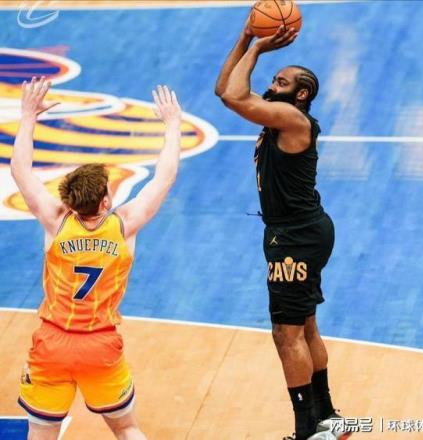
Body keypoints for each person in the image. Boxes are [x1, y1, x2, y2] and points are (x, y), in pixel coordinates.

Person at [11, 77, 181, 440]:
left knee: (40, 435)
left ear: (71, 202)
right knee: (127, 428)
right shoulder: (125, 225)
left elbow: (20, 171)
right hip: (99, 345)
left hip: (52, 343)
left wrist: (28, 116)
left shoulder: (56, 221)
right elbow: (164, 177)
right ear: (105, 201)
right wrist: (172, 125)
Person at [215, 21, 352, 440]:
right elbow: (225, 90)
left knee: (285, 334)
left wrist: (256, 51)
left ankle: (307, 431)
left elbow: (235, 96)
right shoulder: (279, 116)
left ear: (301, 94)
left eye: (281, 82)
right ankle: (328, 420)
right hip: (297, 232)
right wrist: (245, 39)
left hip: (296, 237)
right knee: (305, 327)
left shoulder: (292, 118)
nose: (272, 85)